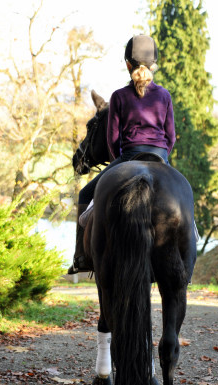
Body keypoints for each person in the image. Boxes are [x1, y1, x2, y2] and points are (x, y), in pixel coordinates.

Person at [68, 34, 176, 274]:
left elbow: (112, 139)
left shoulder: (118, 96)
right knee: (182, 193)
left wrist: (121, 160)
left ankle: (81, 257)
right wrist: (162, 157)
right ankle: (185, 254)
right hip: (159, 157)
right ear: (153, 65)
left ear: (127, 64)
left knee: (86, 192)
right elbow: (171, 136)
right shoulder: (165, 96)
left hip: (128, 156)